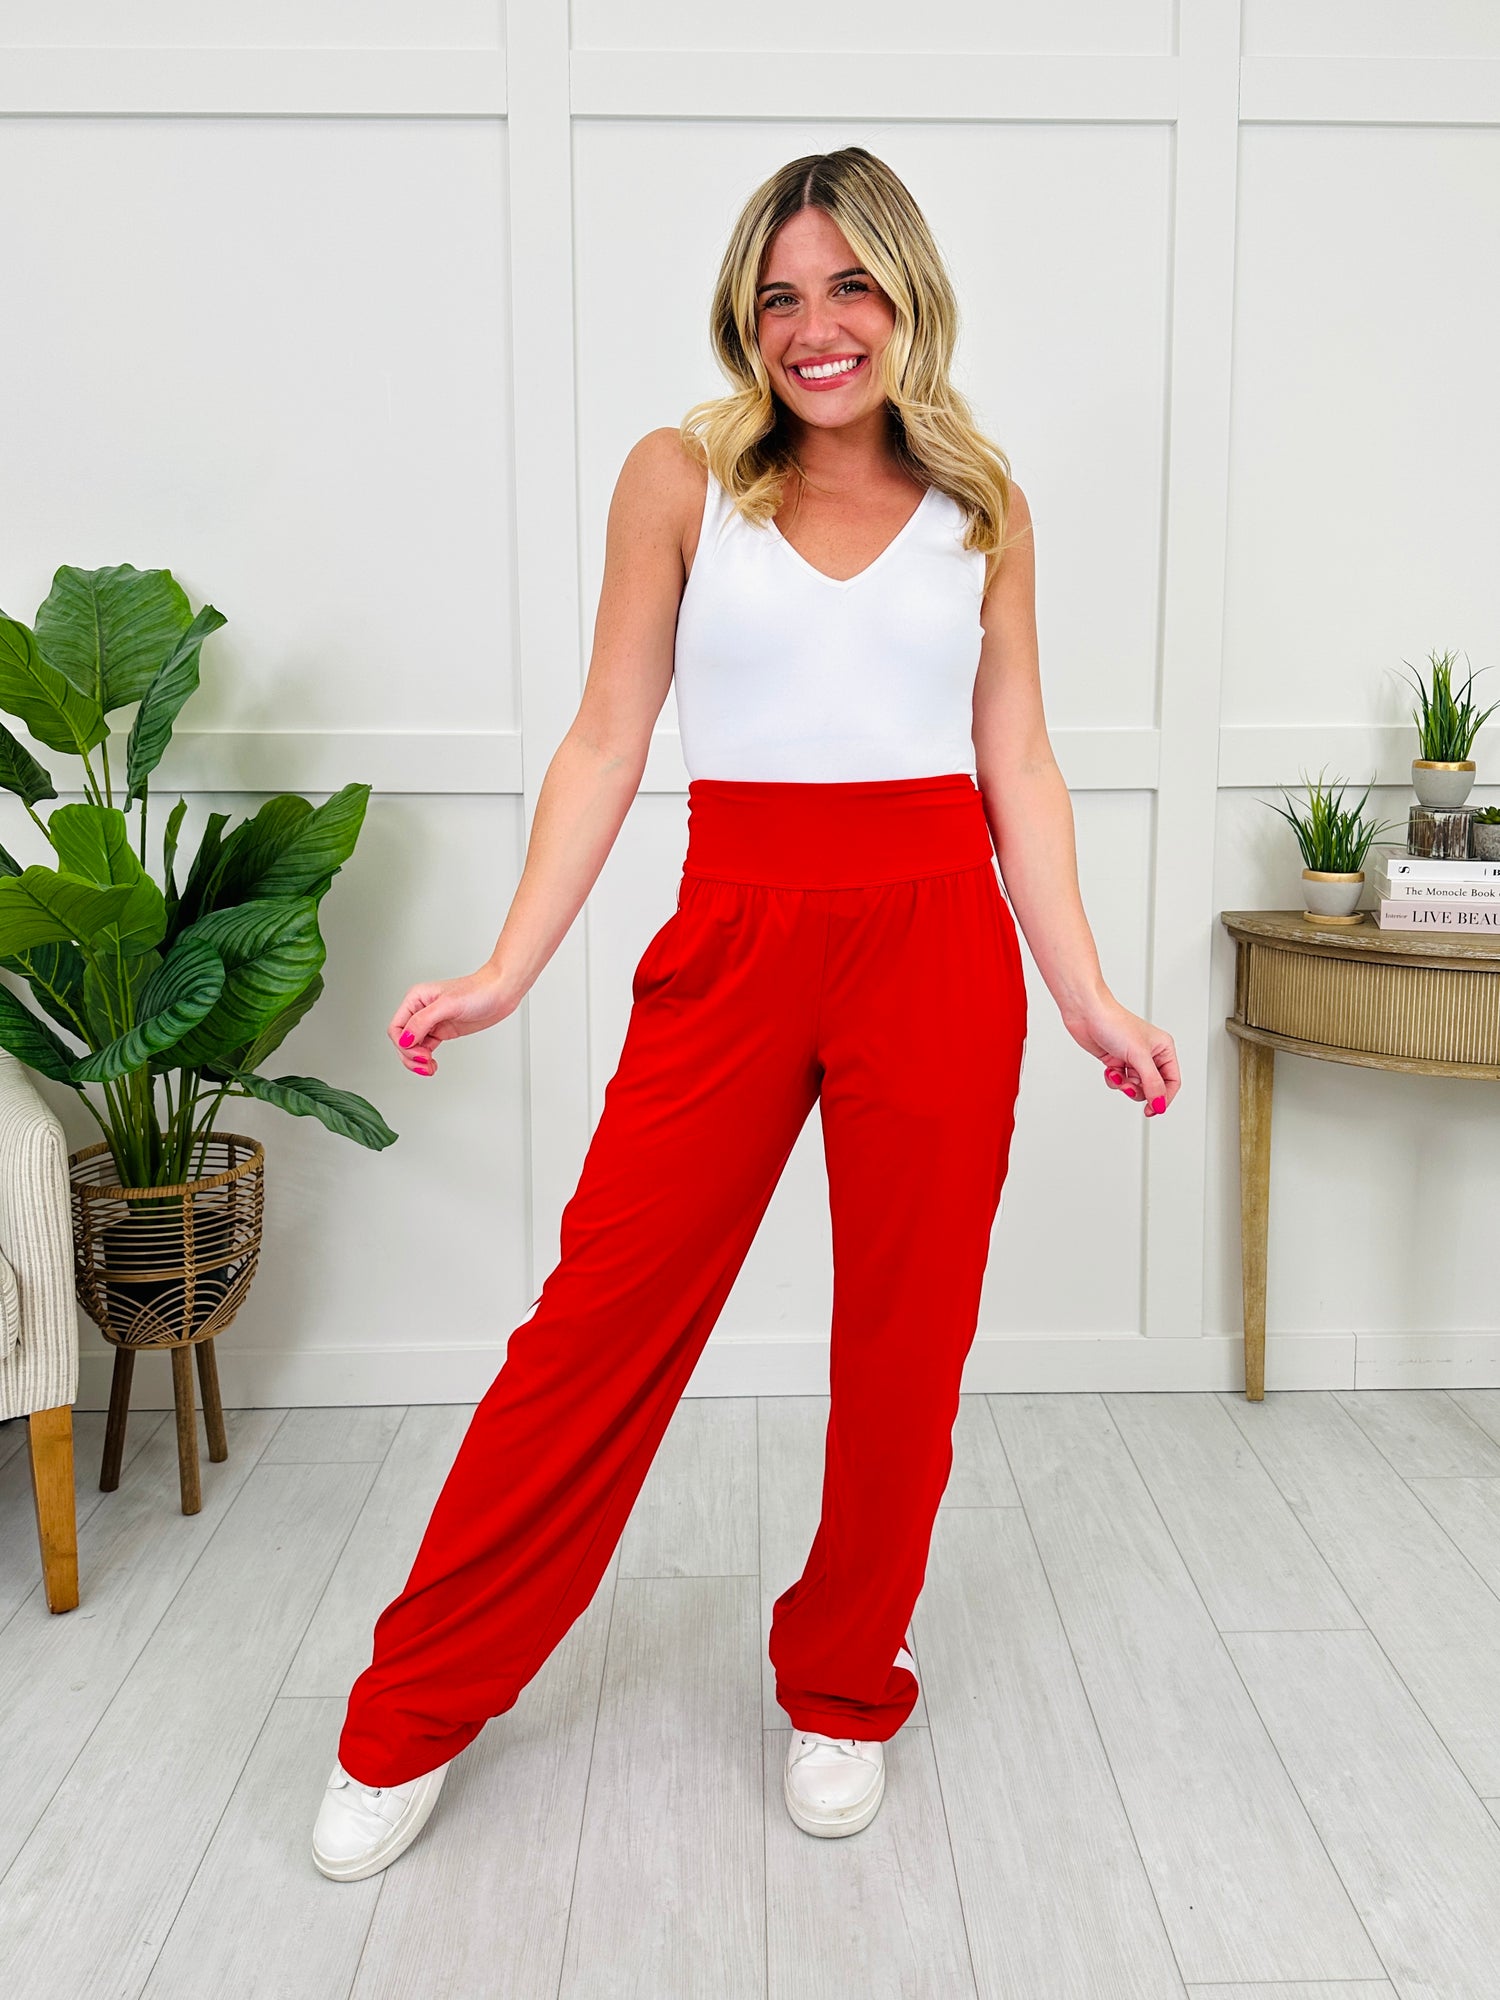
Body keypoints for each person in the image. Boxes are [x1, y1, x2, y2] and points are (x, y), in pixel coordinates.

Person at [311, 145, 1180, 1883]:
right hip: (737, 931)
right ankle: (407, 1715)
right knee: (595, 1328)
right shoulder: (682, 477)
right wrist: (507, 966)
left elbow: (1016, 756)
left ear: (908, 298)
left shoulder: (985, 505)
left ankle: (845, 1687)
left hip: (937, 939)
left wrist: (1084, 989)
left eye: (850, 286)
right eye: (780, 296)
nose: (814, 325)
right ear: (745, 319)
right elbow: (605, 735)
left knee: (905, 1349)